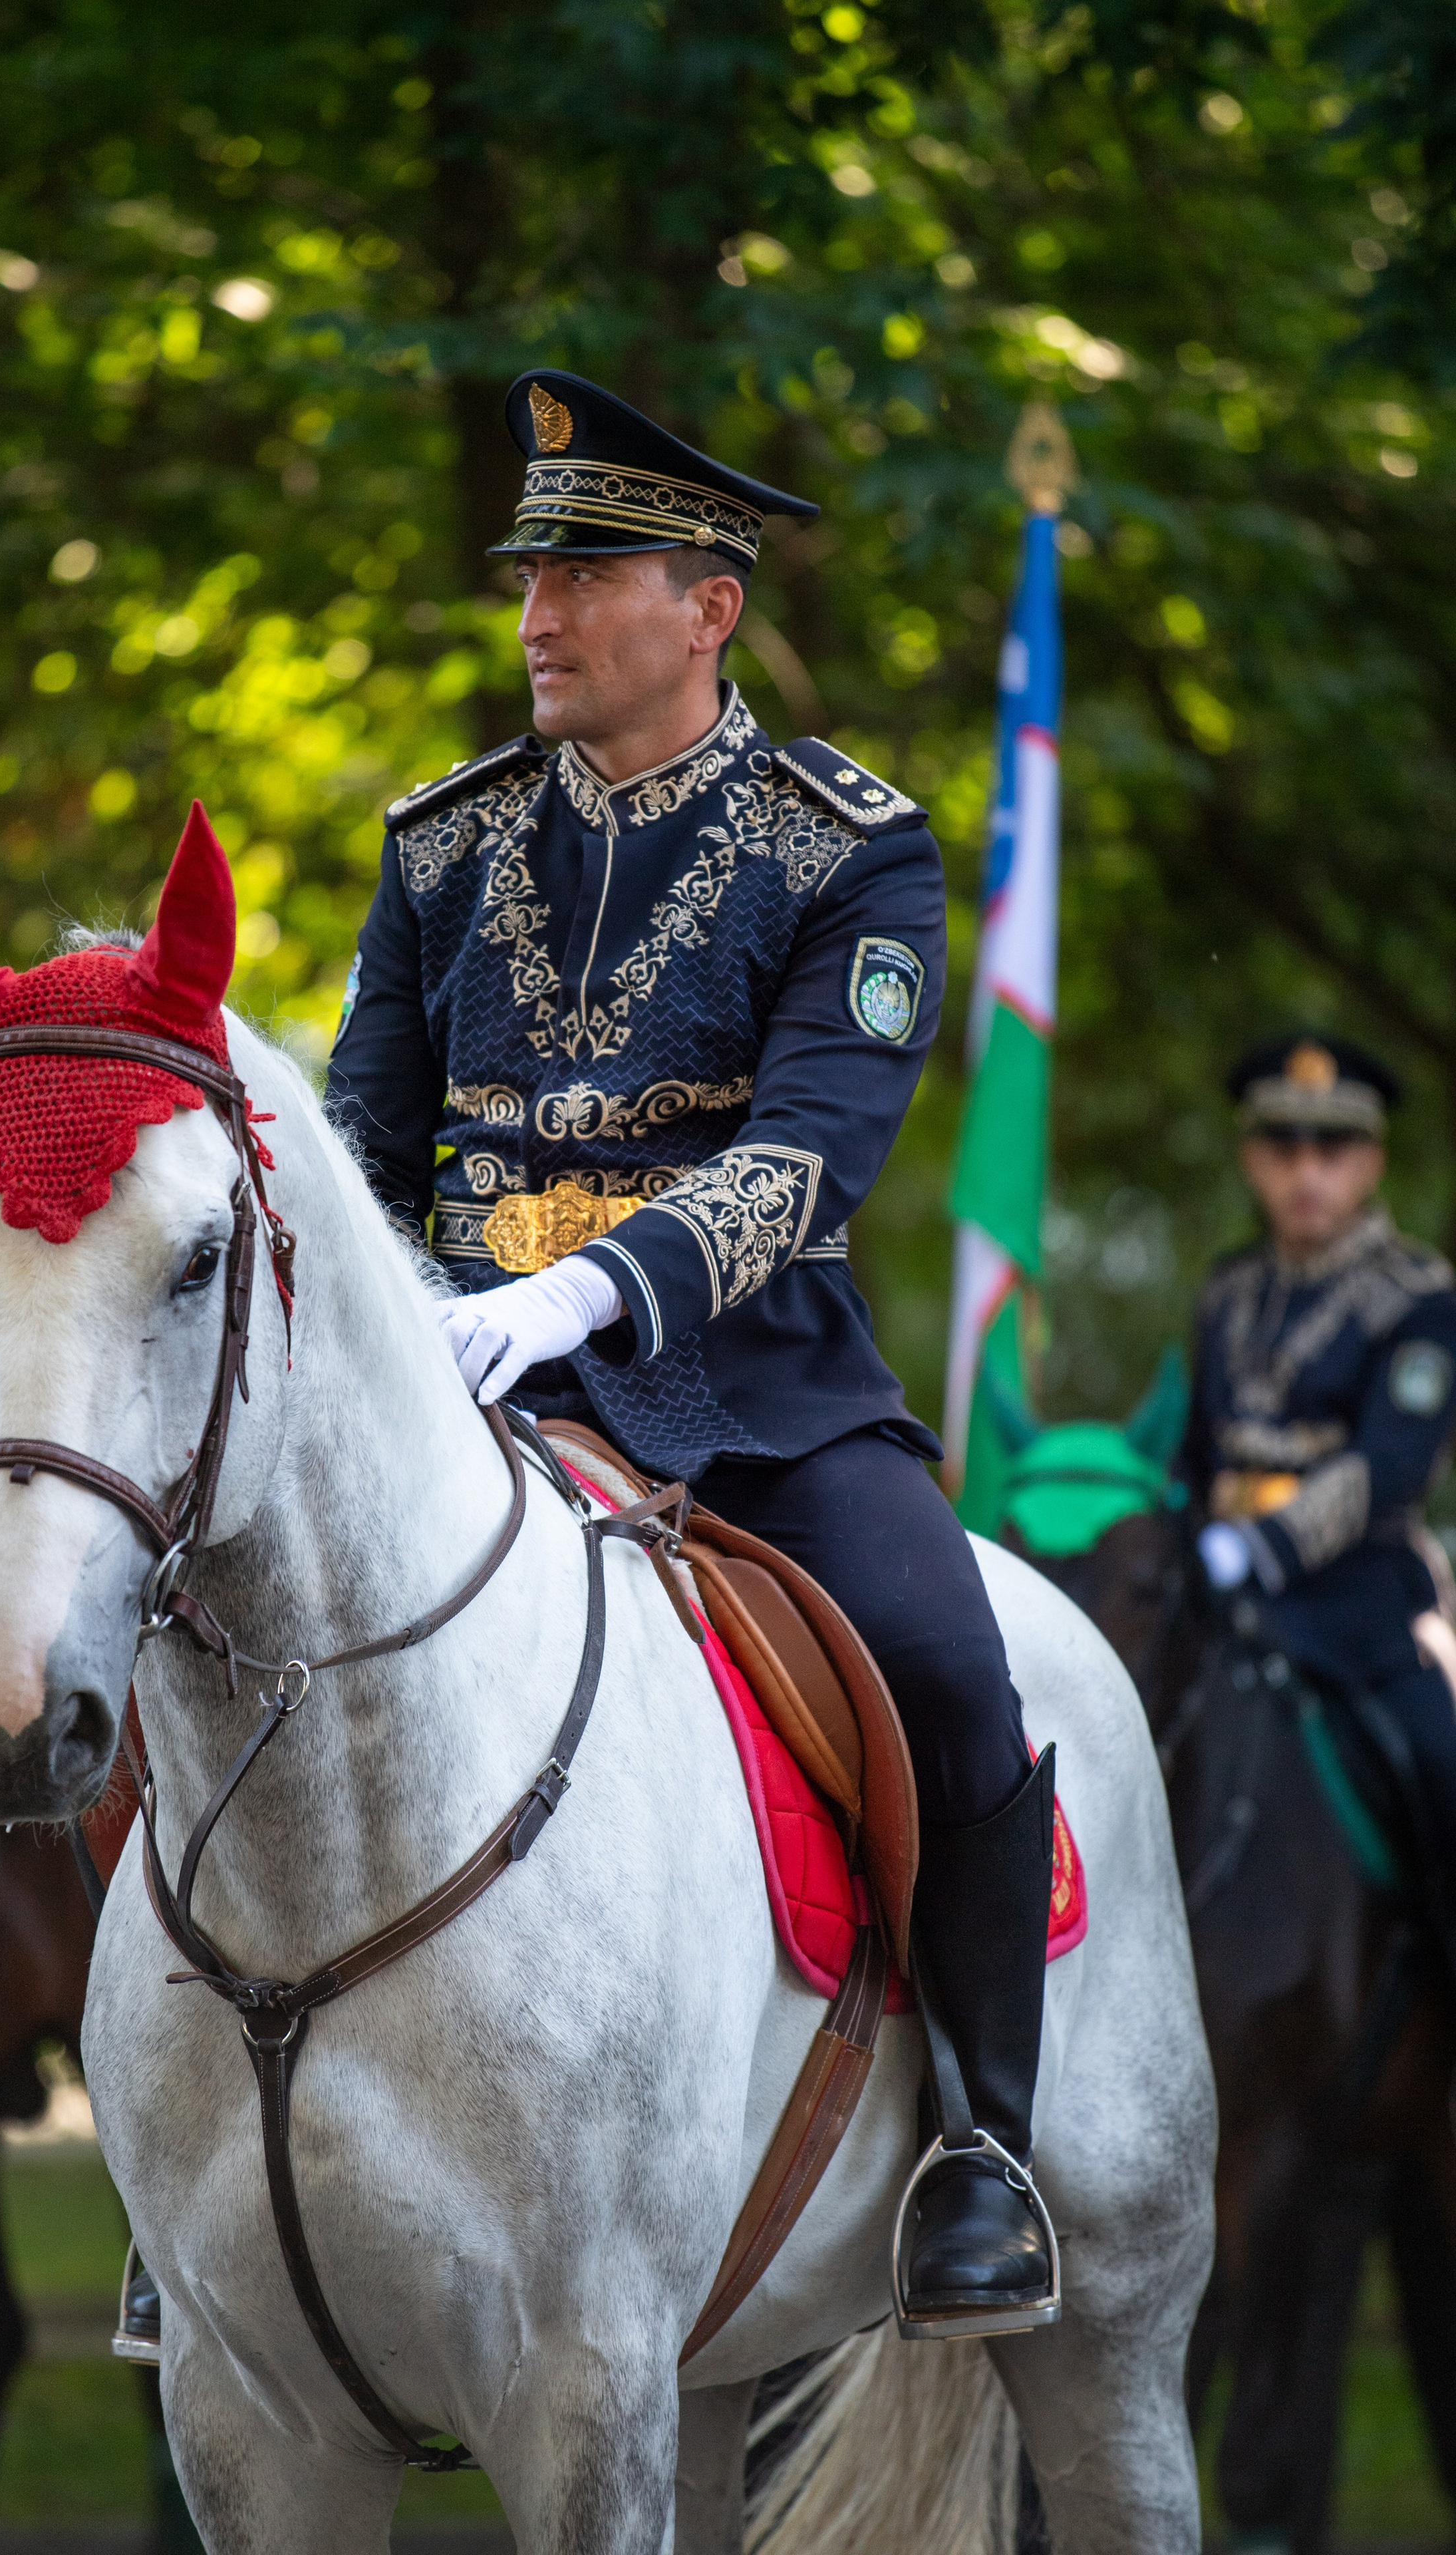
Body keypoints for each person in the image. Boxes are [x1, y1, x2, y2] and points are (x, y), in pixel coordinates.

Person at [327, 368, 1056, 2329]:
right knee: (176, 1639)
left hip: (757, 1394)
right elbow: (349, 1157)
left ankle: (986, 2146)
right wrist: (408, 1317)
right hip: (457, 1391)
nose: (538, 615)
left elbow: (811, 1160)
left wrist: (577, 1289)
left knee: (948, 1665)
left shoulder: (854, 852)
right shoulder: (441, 848)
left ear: (709, 603)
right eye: (528, 575)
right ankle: (191, 2155)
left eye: (587, 572)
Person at [1184, 1033, 1456, 1917]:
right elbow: (1192, 1454)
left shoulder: (1419, 1296)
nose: (1308, 1172)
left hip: (1361, 1610)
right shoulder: (1227, 1293)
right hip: (1222, 1601)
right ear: (1251, 1157)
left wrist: (1256, 1547)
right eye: (1283, 1147)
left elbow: (1390, 1465)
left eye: (1331, 1150)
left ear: (1370, 1161)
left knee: (1444, 1772)